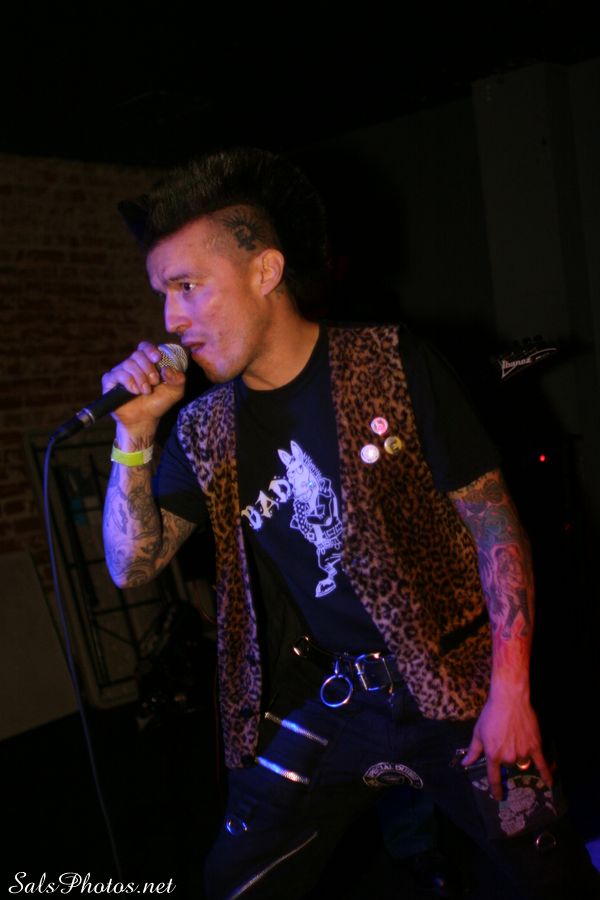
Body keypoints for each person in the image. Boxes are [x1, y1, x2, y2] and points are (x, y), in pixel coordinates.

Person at [102, 148, 599, 899]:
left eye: (188, 287)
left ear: (265, 272)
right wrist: (135, 436)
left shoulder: (389, 362)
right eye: (164, 295)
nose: (171, 320)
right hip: (334, 694)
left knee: (548, 873)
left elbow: (495, 529)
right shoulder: (205, 428)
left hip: (457, 683)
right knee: (234, 882)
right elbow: (131, 565)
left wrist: (512, 694)